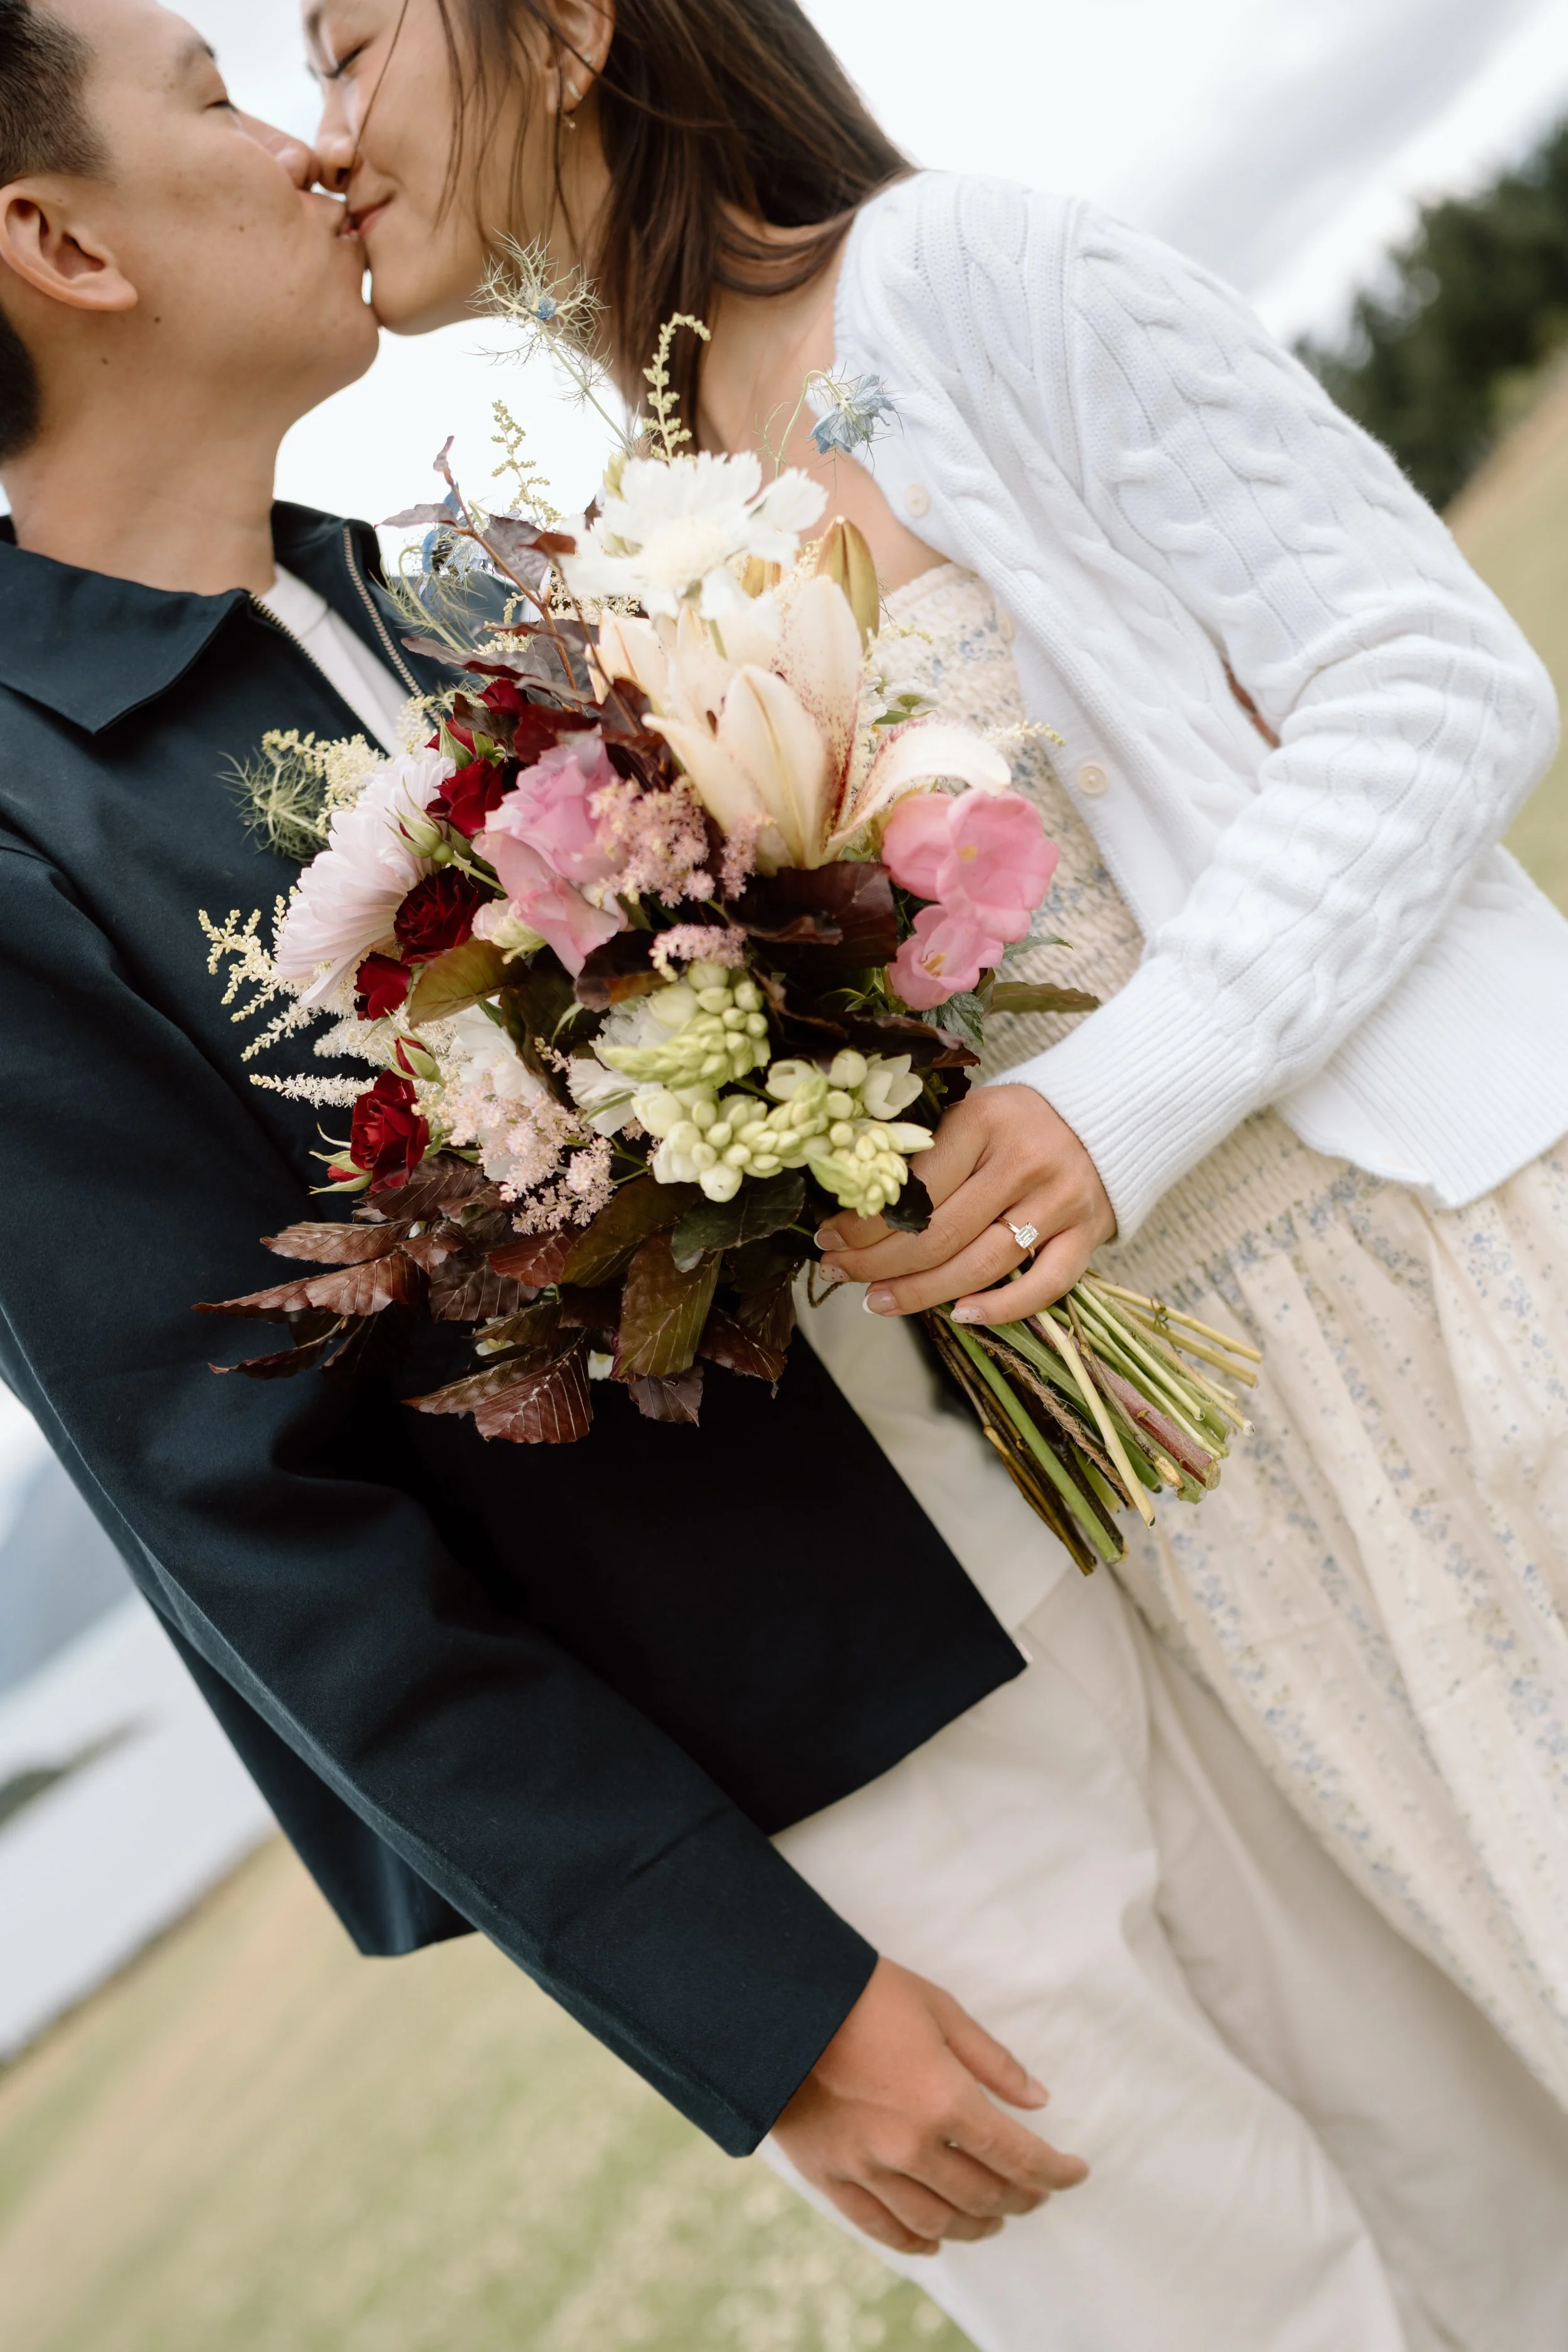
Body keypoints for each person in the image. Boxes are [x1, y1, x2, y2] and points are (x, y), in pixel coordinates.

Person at [0, 4, 1562, 2348]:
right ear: (53, 241)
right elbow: (251, 1524)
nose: (308, 146)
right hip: (858, 1802)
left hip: (1143, 1561)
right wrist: (751, 2001)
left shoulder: (478, 597)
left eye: (319, 59)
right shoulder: (32, 836)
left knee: (1517, 2204)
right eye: (225, 92)